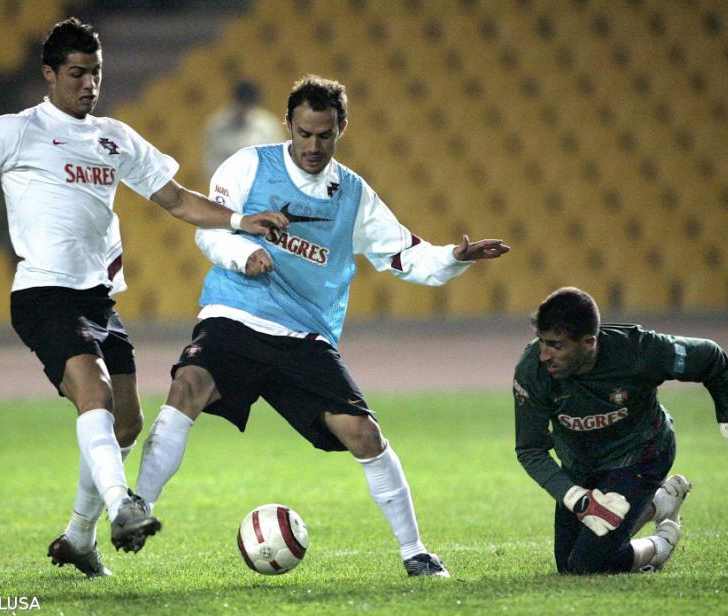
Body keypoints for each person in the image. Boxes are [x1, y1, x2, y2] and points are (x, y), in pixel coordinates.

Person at [0, 18, 288, 579]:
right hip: (43, 290)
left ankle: (77, 538)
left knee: (128, 424)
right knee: (95, 391)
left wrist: (241, 221)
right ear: (49, 74)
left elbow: (179, 200)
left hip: (97, 296)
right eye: (77, 73)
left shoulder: (115, 137)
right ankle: (123, 508)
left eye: (95, 72)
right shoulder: (15, 131)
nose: (89, 83)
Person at [131, 75, 511, 578]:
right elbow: (212, 230)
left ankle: (415, 551)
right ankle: (138, 508)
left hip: (304, 333)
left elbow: (402, 253)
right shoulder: (247, 166)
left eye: (324, 135)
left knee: (363, 433)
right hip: (236, 313)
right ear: (288, 125)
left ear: (341, 129)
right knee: (187, 385)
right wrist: (244, 255)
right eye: (304, 134)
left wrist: (453, 256)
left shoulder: (353, 194)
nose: (313, 146)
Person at [513, 287, 728, 574]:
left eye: (555, 345)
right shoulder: (532, 371)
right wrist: (576, 497)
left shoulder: (639, 351)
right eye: (541, 341)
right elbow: (531, 449)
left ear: (588, 342)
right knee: (568, 567)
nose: (543, 355)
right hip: (580, 464)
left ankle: (661, 544)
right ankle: (659, 503)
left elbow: (710, 358)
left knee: (586, 565)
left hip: (640, 456)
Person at [202, 79, 285, 179]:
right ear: (234, 101)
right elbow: (209, 162)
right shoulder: (216, 126)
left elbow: (276, 162)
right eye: (241, 104)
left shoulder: (268, 127)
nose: (244, 110)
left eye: (249, 105)